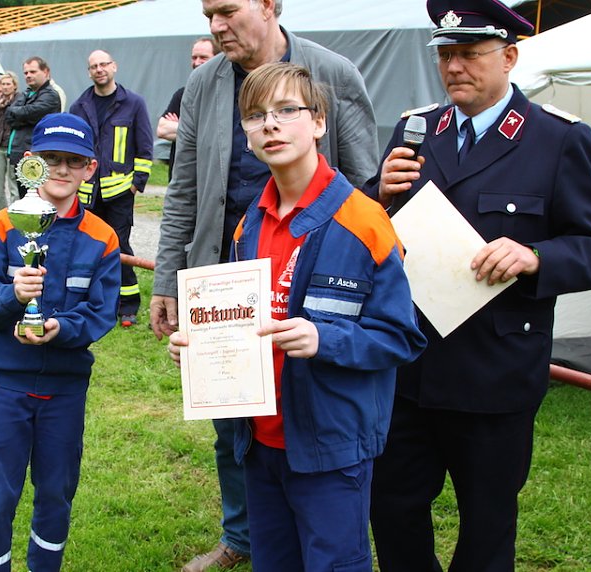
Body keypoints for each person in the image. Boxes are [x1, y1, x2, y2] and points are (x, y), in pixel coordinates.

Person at [363, 1, 591, 570]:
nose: (454, 67)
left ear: (509, 58)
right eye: (445, 55)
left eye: (469, 54)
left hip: (494, 371)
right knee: (392, 507)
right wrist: (375, 194)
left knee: (486, 522)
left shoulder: (557, 139)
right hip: (410, 365)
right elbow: (375, 228)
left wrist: (534, 256)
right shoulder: (416, 129)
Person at [168, 61, 425, 572]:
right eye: (255, 116)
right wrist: (202, 346)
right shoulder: (250, 223)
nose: (271, 125)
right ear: (245, 135)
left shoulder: (364, 221)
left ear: (319, 122)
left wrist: (324, 339)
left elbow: (400, 336)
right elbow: (243, 321)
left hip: (331, 447)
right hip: (260, 443)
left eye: (287, 110)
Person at [150, 1, 379, 568]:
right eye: (208, 14)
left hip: (311, 276)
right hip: (222, 279)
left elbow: (364, 181)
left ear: (269, 5)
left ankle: (322, 528)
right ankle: (244, 536)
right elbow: (184, 188)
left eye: (227, 10)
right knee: (233, 418)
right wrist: (167, 279)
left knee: (311, 406)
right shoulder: (203, 84)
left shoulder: (333, 74)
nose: (215, 26)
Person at [0, 112, 121, 572]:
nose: (62, 169)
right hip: (2, 382)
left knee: (56, 490)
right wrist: (12, 296)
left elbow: (101, 311)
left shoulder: (102, 237)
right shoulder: (3, 225)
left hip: (64, 387)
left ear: (90, 168)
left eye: (74, 161)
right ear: (31, 162)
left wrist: (61, 329)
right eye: (51, 159)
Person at [69, 49, 154, 328]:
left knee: (120, 247)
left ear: (114, 67)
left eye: (103, 64)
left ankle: (127, 305)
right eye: (93, 66)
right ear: (89, 72)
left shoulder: (133, 103)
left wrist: (136, 184)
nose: (99, 69)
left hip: (119, 192)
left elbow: (144, 145)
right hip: (88, 194)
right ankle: (94, 301)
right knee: (88, 247)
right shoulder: (79, 106)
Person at [157, 37, 218, 181]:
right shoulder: (183, 95)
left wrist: (180, 127)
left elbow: (220, 136)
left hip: (209, 179)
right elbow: (162, 130)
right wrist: (203, 132)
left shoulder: (225, 96)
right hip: (180, 178)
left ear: (218, 59)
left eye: (203, 57)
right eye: (194, 57)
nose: (197, 62)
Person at [5, 56, 62, 195]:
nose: (28, 75)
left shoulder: (51, 95)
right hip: (20, 154)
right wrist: (23, 116)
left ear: (46, 72)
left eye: (33, 71)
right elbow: (9, 115)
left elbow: (28, 112)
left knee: (38, 197)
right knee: (24, 197)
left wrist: (20, 115)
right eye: (26, 73)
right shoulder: (26, 94)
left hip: (37, 156)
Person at [0, 72, 22, 211]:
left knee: (13, 183)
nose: (5, 87)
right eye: (3, 84)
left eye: (8, 84)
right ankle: (1, 212)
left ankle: (15, 212)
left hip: (12, 145)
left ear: (14, 85)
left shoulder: (20, 100)